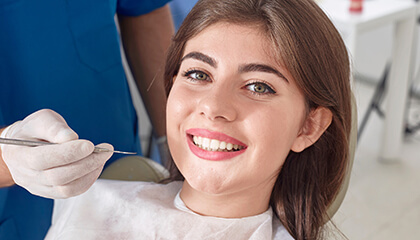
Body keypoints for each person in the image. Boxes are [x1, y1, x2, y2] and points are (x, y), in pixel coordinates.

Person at [46, 0, 351, 239]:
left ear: (308, 127)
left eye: (258, 86)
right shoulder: (91, 207)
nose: (213, 106)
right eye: (198, 74)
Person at [0, 1, 174, 239]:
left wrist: (172, 138)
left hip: (119, 171)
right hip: (15, 210)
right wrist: (7, 156)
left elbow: (144, 8)